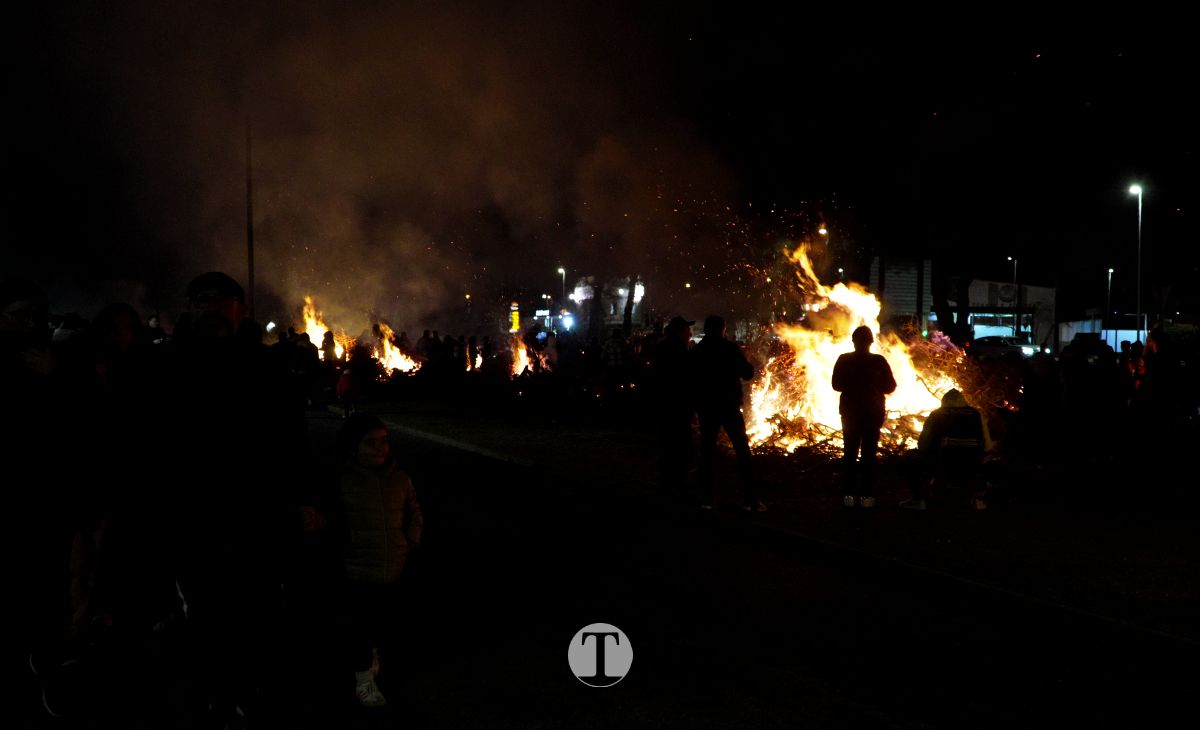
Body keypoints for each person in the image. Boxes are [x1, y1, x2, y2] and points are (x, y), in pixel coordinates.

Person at [333, 413, 423, 708]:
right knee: (358, 625)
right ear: (353, 447)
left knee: (381, 622)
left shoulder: (399, 477)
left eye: (384, 441)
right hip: (357, 569)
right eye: (370, 443)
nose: (380, 448)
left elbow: (414, 512)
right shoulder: (343, 481)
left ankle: (372, 656)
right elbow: (334, 522)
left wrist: (409, 541)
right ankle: (363, 681)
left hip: (393, 567)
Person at [689, 315, 764, 512]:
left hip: (707, 407)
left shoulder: (697, 351)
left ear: (706, 329)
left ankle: (707, 499)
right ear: (723, 328)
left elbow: (691, 381)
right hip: (729, 405)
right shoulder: (730, 348)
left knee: (707, 452)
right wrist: (749, 365)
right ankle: (750, 501)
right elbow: (747, 373)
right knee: (742, 451)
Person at [831, 325, 896, 509]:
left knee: (850, 454)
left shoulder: (844, 360)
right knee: (869, 455)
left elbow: (836, 385)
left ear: (853, 341)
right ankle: (867, 497)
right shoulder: (878, 361)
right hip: (872, 413)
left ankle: (849, 497)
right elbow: (890, 386)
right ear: (870, 342)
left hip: (850, 413)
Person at [900, 388, 987, 511]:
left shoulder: (936, 414)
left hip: (940, 464)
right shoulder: (976, 414)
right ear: (963, 401)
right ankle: (978, 498)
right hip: (971, 464)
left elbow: (923, 445)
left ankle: (918, 499)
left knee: (911, 455)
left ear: (944, 401)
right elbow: (987, 445)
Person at [651, 316, 695, 500]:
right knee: (678, 447)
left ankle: (665, 485)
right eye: (687, 330)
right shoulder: (677, 350)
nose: (690, 333)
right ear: (679, 332)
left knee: (667, 446)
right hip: (677, 406)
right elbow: (685, 378)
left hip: (665, 405)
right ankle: (678, 486)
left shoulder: (664, 346)